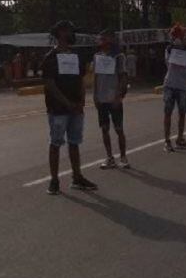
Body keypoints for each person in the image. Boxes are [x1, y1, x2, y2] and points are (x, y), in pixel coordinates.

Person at [40, 20, 98, 195]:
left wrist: (81, 101)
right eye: (68, 31)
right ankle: (54, 180)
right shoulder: (50, 57)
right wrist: (67, 103)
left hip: (75, 108)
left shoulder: (75, 56)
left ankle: (77, 177)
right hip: (58, 109)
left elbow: (80, 80)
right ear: (59, 34)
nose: (72, 34)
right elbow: (50, 84)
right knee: (56, 143)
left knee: (74, 142)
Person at [92, 30, 129, 169]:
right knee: (104, 129)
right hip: (101, 99)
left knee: (119, 129)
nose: (100, 41)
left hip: (114, 99)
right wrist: (95, 95)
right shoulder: (97, 56)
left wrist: (119, 96)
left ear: (110, 40)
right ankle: (109, 157)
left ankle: (123, 157)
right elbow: (95, 77)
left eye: (103, 38)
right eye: (100, 38)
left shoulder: (119, 56)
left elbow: (123, 77)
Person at [162, 25, 186, 151]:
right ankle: (167, 140)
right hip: (170, 84)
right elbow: (167, 63)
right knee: (168, 112)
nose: (174, 37)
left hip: (182, 85)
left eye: (177, 35)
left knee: (182, 113)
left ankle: (180, 138)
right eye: (173, 35)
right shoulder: (169, 49)